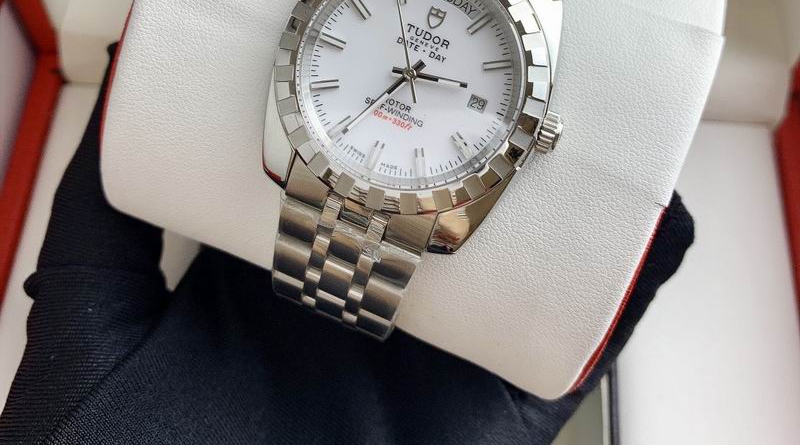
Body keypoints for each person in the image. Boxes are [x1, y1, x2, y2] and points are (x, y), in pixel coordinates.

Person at [0, 49, 694, 444]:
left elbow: (88, 266)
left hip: (317, 168)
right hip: (351, 193)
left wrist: (155, 71)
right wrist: (145, 76)